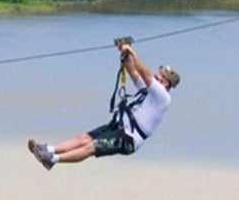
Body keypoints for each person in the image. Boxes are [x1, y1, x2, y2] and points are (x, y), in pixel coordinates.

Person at [28, 42, 179, 169]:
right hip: (117, 126)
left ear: (166, 83)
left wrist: (132, 51)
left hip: (128, 139)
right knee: (84, 138)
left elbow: (144, 73)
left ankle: (52, 159)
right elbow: (133, 71)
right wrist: (125, 54)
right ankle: (48, 150)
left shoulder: (163, 97)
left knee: (90, 147)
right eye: (157, 74)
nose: (155, 76)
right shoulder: (147, 90)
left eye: (159, 76)